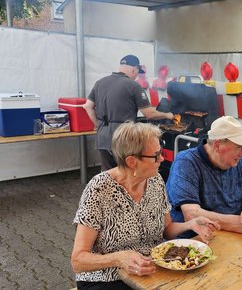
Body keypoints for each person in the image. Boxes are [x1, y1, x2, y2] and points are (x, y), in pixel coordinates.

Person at [71, 122, 219, 290]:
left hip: (150, 272)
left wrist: (190, 224)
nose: (162, 159)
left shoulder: (155, 181)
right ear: (132, 161)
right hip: (106, 279)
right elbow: (78, 261)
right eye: (156, 156)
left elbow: (166, 228)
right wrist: (119, 258)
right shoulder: (99, 189)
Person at [166, 116, 242, 240]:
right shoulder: (186, 162)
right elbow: (191, 214)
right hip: (194, 242)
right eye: (239, 147)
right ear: (217, 145)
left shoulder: (238, 162)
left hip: (231, 236)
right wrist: (241, 224)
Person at [83, 55, 174, 171]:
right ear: (134, 69)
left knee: (108, 174)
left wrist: (98, 125)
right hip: (123, 138)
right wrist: (168, 115)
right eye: (137, 72)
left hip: (103, 138)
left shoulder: (100, 82)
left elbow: (87, 106)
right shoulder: (133, 85)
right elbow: (149, 113)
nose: (136, 76)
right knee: (126, 174)